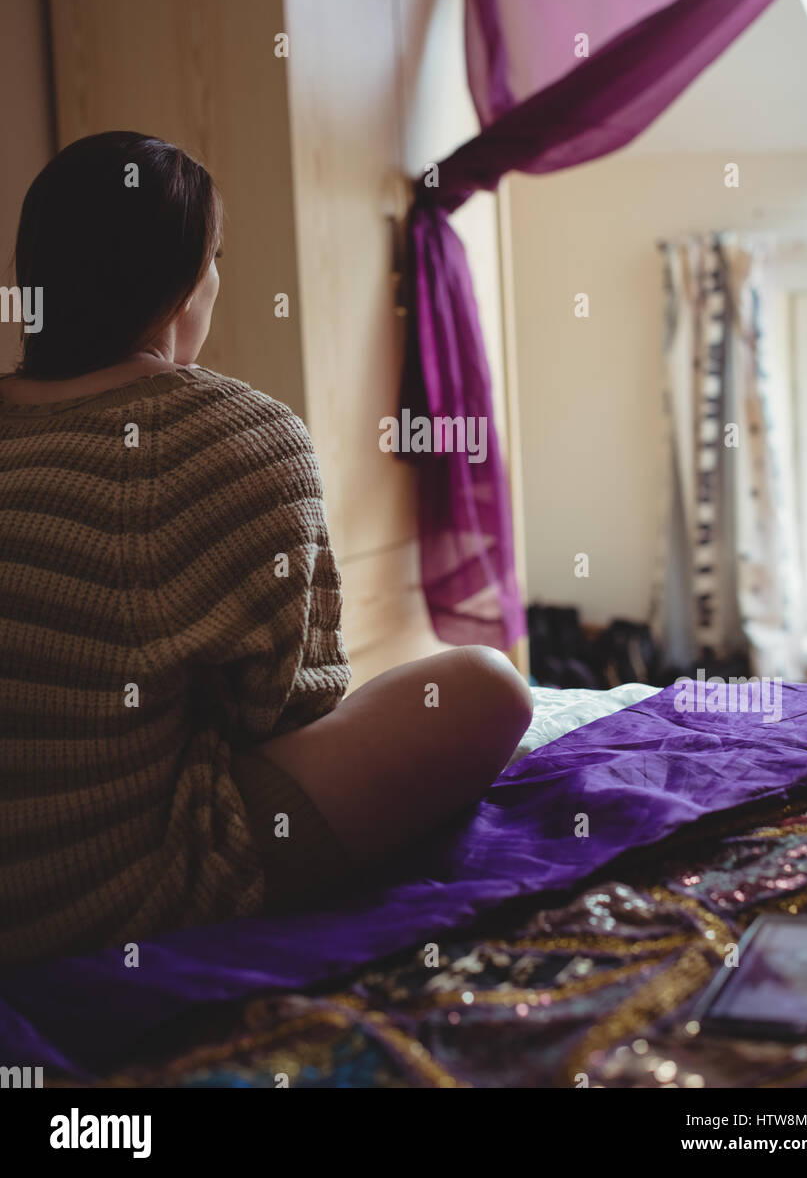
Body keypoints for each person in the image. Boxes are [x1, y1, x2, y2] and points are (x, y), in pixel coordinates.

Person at [0, 132, 532, 968]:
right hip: (108, 899)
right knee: (485, 686)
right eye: (216, 258)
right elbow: (291, 713)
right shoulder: (236, 434)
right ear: (186, 283)